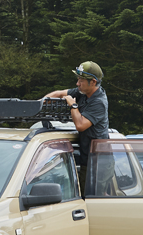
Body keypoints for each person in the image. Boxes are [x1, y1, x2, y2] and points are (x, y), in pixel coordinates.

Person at [44, 61, 110, 196]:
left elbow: (80, 126)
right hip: (87, 159)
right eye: (78, 79)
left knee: (92, 200)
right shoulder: (83, 93)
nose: (77, 83)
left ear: (93, 82)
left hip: (99, 163)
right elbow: (58, 93)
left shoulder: (99, 102)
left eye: (81, 80)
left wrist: (73, 106)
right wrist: (39, 105)